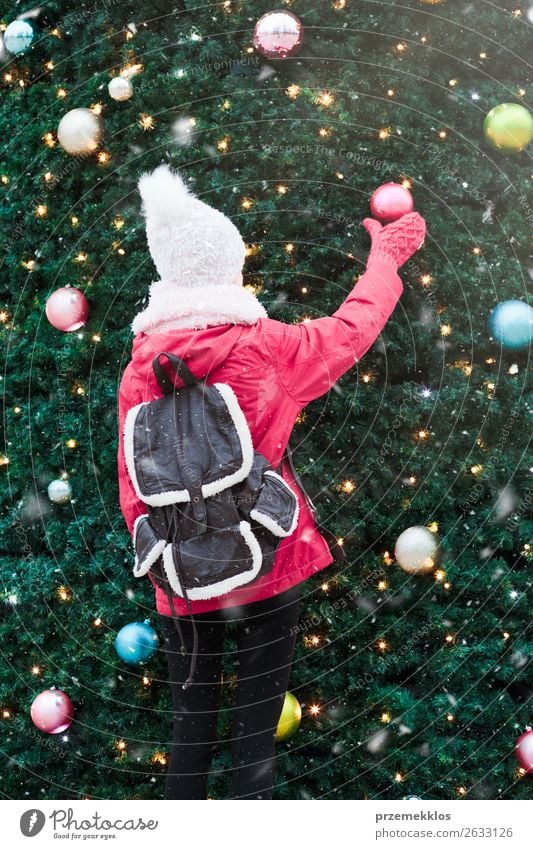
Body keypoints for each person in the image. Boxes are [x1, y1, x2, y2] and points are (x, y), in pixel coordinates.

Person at [117, 164, 426, 799]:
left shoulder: (138, 369)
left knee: (190, 730)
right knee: (255, 737)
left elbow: (134, 483)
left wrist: (167, 566)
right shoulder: (266, 346)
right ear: (228, 269)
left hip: (179, 576)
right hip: (268, 558)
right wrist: (384, 261)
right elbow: (351, 331)